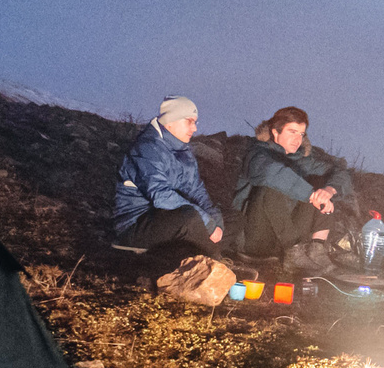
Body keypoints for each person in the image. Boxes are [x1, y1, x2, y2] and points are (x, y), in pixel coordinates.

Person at [229, 105, 359, 269]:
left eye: (301, 134)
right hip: (256, 237)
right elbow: (272, 173)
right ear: (276, 132)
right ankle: (293, 252)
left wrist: (328, 191)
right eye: (292, 132)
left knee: (321, 184)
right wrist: (311, 195)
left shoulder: (303, 160)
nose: (298, 139)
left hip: (292, 238)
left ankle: (317, 248)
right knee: (272, 185)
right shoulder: (257, 154)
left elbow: (341, 171)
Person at [110, 96, 224, 258]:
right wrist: (205, 220)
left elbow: (196, 190)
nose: (194, 129)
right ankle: (216, 264)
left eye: (195, 122)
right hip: (136, 225)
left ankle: (207, 258)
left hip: (167, 218)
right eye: (189, 121)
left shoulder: (183, 150)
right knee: (191, 218)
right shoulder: (147, 148)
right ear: (170, 122)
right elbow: (160, 196)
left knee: (230, 218)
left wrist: (213, 217)